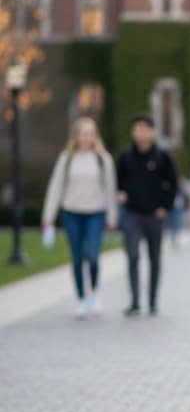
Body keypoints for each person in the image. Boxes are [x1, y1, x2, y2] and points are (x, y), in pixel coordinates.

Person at [42, 117, 117, 318]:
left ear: (95, 136)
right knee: (76, 257)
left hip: (96, 213)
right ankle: (81, 298)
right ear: (76, 136)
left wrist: (112, 217)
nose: (87, 137)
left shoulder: (103, 159)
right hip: (72, 212)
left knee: (92, 256)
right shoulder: (66, 158)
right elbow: (55, 188)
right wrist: (48, 216)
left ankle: (93, 292)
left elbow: (110, 189)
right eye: (84, 133)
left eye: (91, 133)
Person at [117, 115, 178, 316]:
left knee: (154, 258)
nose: (141, 133)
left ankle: (152, 301)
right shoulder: (126, 156)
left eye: (145, 129)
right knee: (133, 255)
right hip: (132, 214)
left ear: (152, 132)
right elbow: (119, 182)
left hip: (154, 215)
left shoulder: (161, 157)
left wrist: (165, 206)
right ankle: (134, 301)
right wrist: (120, 194)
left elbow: (173, 184)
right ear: (133, 132)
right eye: (137, 129)